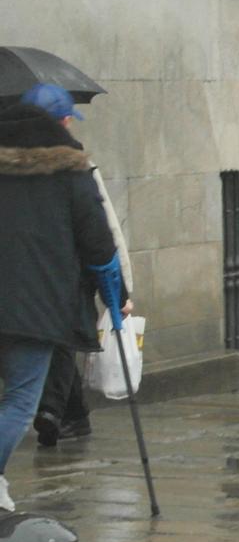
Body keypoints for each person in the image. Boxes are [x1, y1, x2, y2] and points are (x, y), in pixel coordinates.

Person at [0, 85, 124, 512]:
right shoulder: (71, 172)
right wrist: (116, 297)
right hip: (36, 305)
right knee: (20, 398)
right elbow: (98, 245)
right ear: (62, 123)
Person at [32, 91, 135, 447]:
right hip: (62, 270)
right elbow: (102, 231)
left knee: (62, 337)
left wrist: (117, 291)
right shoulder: (73, 165)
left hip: (64, 271)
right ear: (61, 120)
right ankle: (70, 413)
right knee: (61, 336)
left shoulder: (75, 163)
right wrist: (118, 291)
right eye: (67, 117)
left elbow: (101, 233)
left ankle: (53, 410)